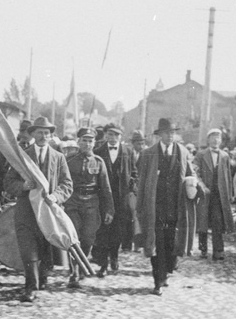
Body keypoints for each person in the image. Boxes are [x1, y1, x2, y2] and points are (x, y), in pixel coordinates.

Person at [3, 116, 72, 302]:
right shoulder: (22, 157)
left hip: (48, 212)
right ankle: (30, 287)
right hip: (26, 211)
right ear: (32, 134)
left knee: (44, 247)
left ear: (51, 136)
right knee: (28, 249)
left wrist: (56, 196)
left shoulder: (58, 158)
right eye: (40, 132)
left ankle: (42, 276)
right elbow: (8, 182)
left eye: (47, 133)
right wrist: (23, 186)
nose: (43, 136)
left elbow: (67, 184)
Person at [136, 118, 197, 296]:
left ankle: (167, 270)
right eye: (167, 133)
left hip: (175, 207)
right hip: (155, 206)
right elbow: (142, 181)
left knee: (171, 243)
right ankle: (158, 280)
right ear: (160, 135)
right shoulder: (149, 154)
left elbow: (190, 175)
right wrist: (140, 205)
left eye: (173, 133)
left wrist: (195, 187)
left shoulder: (183, 152)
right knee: (156, 242)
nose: (170, 136)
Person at [64, 127, 114, 287]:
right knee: (73, 237)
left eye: (90, 141)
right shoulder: (69, 160)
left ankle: (80, 264)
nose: (87, 144)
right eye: (84, 140)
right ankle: (74, 271)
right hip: (72, 202)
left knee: (87, 237)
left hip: (91, 203)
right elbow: (61, 181)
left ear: (94, 143)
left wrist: (109, 209)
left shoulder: (99, 162)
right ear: (78, 142)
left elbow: (106, 188)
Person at [92, 123, 135, 275]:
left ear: (120, 136)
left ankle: (114, 257)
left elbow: (134, 173)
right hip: (104, 198)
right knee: (103, 230)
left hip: (121, 198)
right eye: (110, 134)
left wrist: (131, 189)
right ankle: (103, 264)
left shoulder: (128, 152)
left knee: (118, 230)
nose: (113, 137)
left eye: (116, 135)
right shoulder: (97, 151)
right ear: (105, 135)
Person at [195, 128, 233, 260]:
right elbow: (195, 173)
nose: (216, 140)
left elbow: (228, 176)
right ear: (208, 140)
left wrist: (229, 194)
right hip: (205, 194)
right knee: (203, 222)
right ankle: (203, 249)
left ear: (221, 141)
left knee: (217, 222)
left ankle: (218, 250)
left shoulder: (225, 156)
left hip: (219, 195)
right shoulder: (201, 155)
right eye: (213, 138)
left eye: (218, 138)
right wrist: (202, 186)